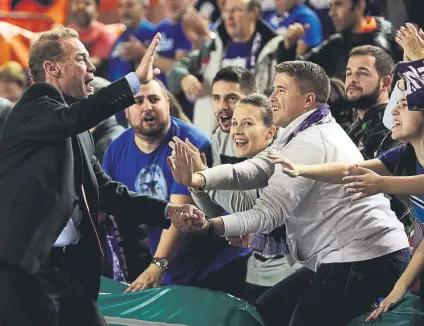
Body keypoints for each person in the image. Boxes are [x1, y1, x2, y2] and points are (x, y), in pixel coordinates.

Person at [168, 60, 410, 326]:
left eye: (281, 90)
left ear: (307, 100)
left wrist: (209, 226)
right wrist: (199, 178)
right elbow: (253, 169)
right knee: (266, 312)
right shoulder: (296, 132)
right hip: (350, 254)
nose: (271, 98)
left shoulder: (311, 141)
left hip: (369, 256)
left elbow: (268, 213)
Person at [0, 28, 203, 326]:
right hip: (26, 272)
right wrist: (134, 80)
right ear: (51, 69)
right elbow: (76, 117)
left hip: (71, 272)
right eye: (81, 58)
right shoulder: (32, 106)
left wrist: (168, 212)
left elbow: (107, 192)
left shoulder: (77, 128)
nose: (93, 67)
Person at [103, 78, 250, 298]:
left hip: (215, 264)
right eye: (138, 101)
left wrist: (157, 265)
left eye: (154, 99)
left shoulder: (190, 142)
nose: (147, 107)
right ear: (126, 112)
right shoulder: (116, 150)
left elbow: (181, 215)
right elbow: (104, 207)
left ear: (168, 104)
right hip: (169, 267)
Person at [167, 0, 284, 136]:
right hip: (209, 138)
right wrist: (184, 78)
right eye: (226, 11)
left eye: (236, 10)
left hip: (252, 138)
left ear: (254, 13)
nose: (229, 16)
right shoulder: (213, 47)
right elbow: (175, 70)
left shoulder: (274, 49)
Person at [277, 0, 398, 80]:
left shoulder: (381, 44)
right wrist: (289, 48)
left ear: (359, 5)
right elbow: (298, 73)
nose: (331, 13)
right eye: (330, 6)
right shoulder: (338, 42)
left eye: (339, 4)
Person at [107, 0, 156, 82]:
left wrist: (143, 53)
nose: (124, 11)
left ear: (144, 7)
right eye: (121, 6)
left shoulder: (154, 34)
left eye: (129, 5)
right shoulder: (121, 37)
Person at [67, 0, 117, 76]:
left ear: (97, 9)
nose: (81, 7)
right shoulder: (64, 35)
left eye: (87, 3)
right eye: (76, 2)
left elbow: (96, 63)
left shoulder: (106, 35)